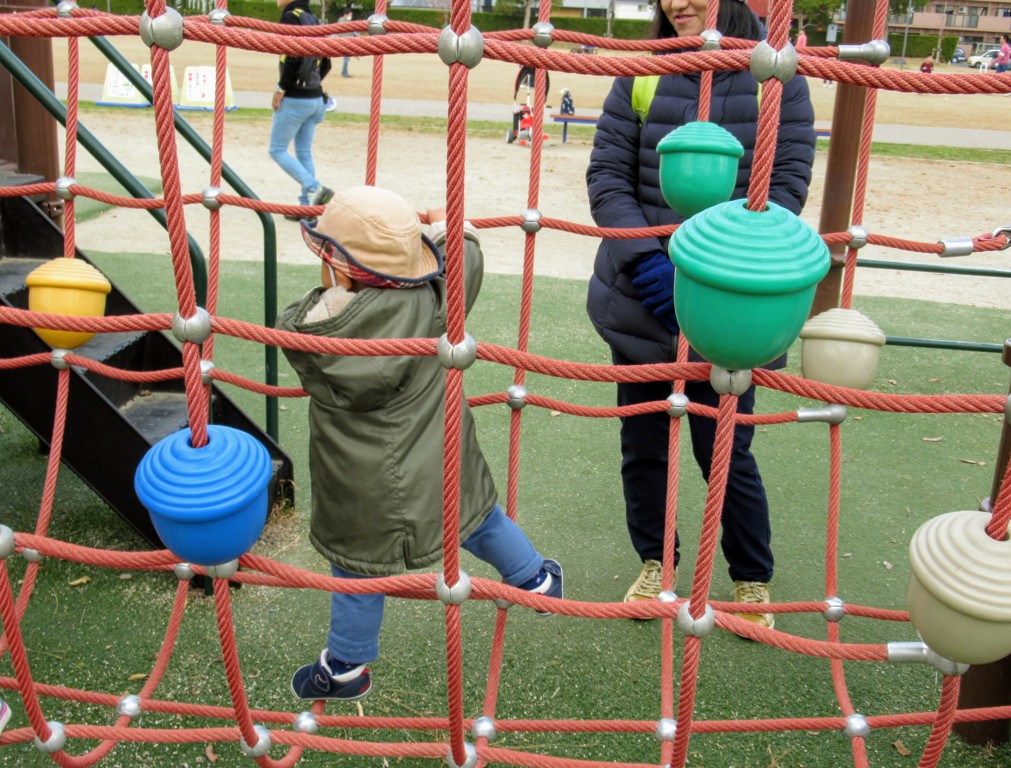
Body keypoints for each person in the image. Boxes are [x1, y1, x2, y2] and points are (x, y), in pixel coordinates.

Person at [277, 186, 563, 702]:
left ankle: (346, 667)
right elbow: (467, 260)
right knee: (479, 520)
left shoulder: (311, 333)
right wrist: (441, 225)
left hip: (359, 490)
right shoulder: (434, 302)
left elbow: (304, 316)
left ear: (338, 271)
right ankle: (536, 582)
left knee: (358, 571)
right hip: (440, 463)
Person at [586, 0, 816, 630]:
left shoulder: (777, 76)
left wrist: (715, 269)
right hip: (644, 298)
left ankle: (750, 574)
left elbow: (787, 181)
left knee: (726, 445)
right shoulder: (644, 71)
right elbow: (608, 176)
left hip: (732, 303)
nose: (676, 4)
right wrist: (647, 262)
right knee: (644, 441)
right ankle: (656, 561)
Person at [269, 0, 333, 221]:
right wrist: (312, 83)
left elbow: (292, 59)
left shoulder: (291, 17)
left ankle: (314, 188)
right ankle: (307, 208)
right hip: (316, 98)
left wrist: (281, 89)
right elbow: (327, 63)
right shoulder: (314, 19)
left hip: (295, 99)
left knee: (277, 150)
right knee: (304, 152)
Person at [339, 10, 356, 78]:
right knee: (346, 58)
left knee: (347, 58)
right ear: (345, 15)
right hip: (344, 42)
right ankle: (344, 73)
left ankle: (344, 72)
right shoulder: (342, 21)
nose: (350, 17)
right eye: (349, 15)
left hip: (347, 41)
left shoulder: (348, 22)